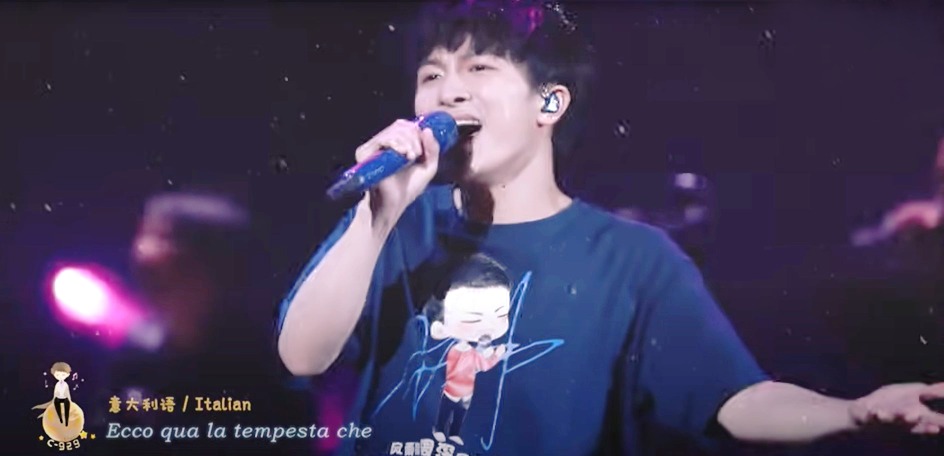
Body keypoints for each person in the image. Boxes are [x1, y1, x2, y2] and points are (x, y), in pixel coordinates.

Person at [276, 2, 944, 455]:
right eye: (432, 74)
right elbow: (303, 356)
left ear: (549, 102)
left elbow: (737, 399)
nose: (447, 93)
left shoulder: (632, 259)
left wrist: (850, 411)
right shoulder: (396, 224)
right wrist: (376, 215)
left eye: (479, 68)